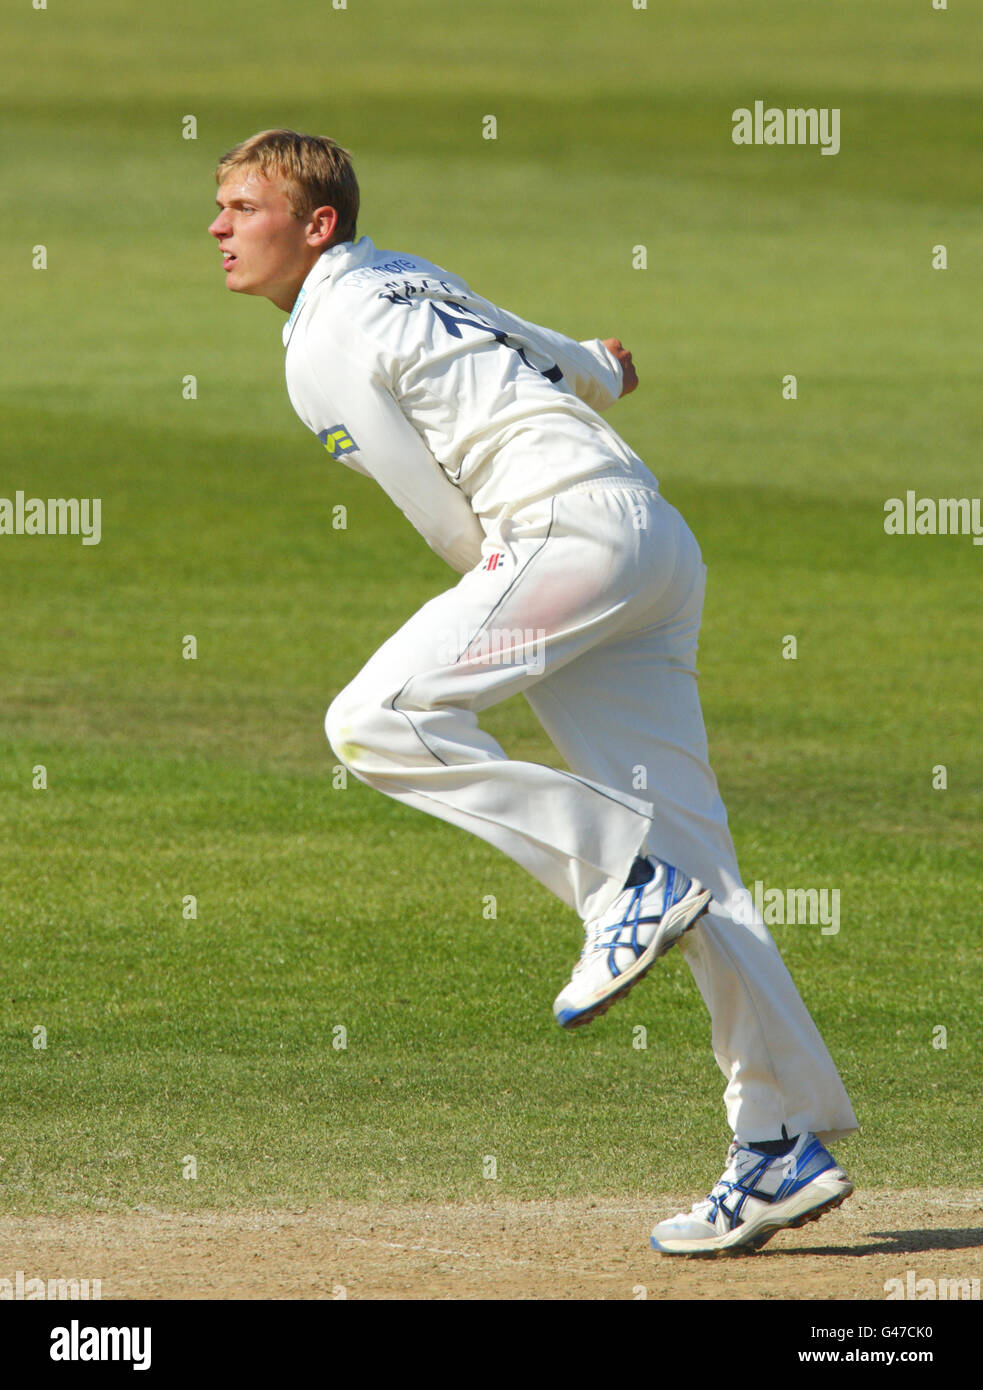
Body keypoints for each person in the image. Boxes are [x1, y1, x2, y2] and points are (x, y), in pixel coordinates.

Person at [208, 128, 858, 1254]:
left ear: (316, 226)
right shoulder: (399, 271)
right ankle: (780, 1140)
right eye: (216, 207)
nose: (217, 228)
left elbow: (439, 516)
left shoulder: (317, 339)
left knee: (374, 720)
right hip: (653, 541)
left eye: (240, 207)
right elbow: (537, 348)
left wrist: (514, 604)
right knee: (704, 862)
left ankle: (618, 879)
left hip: (561, 538)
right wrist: (600, 369)